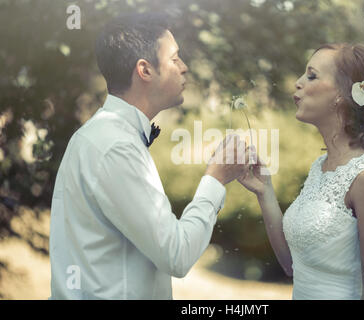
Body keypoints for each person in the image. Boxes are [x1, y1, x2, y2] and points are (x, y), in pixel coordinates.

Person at [49, 13, 250, 299]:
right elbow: (176, 255)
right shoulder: (115, 146)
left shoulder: (107, 136)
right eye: (175, 59)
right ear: (144, 70)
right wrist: (215, 178)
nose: (185, 68)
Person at [239, 43, 364, 299]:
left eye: (311, 75)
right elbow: (292, 265)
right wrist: (264, 191)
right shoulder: (320, 167)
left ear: (343, 94)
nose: (298, 83)